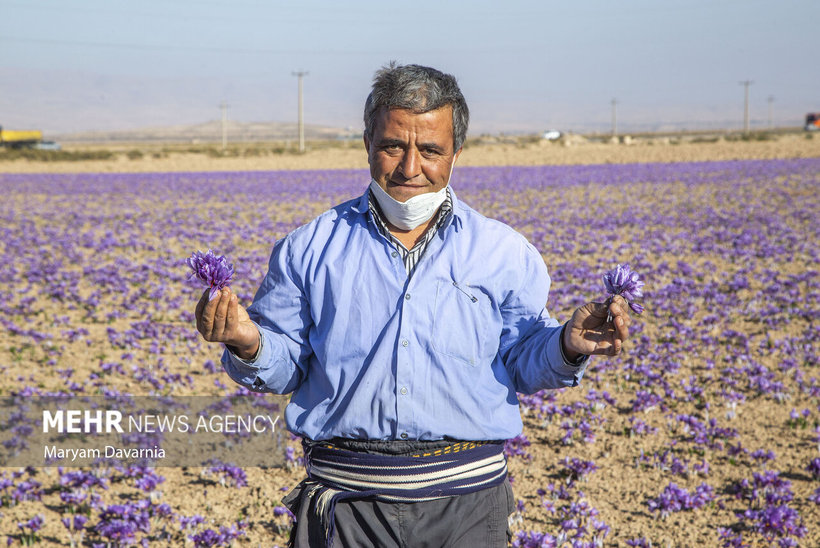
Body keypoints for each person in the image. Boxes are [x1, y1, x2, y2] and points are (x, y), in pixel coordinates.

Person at [194, 62, 632, 548]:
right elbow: (286, 366)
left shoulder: (504, 253)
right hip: (347, 508)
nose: (409, 167)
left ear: (456, 154)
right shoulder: (308, 248)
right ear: (367, 145)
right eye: (392, 146)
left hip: (467, 505)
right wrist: (248, 342)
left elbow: (522, 361)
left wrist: (567, 346)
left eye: (429, 150)